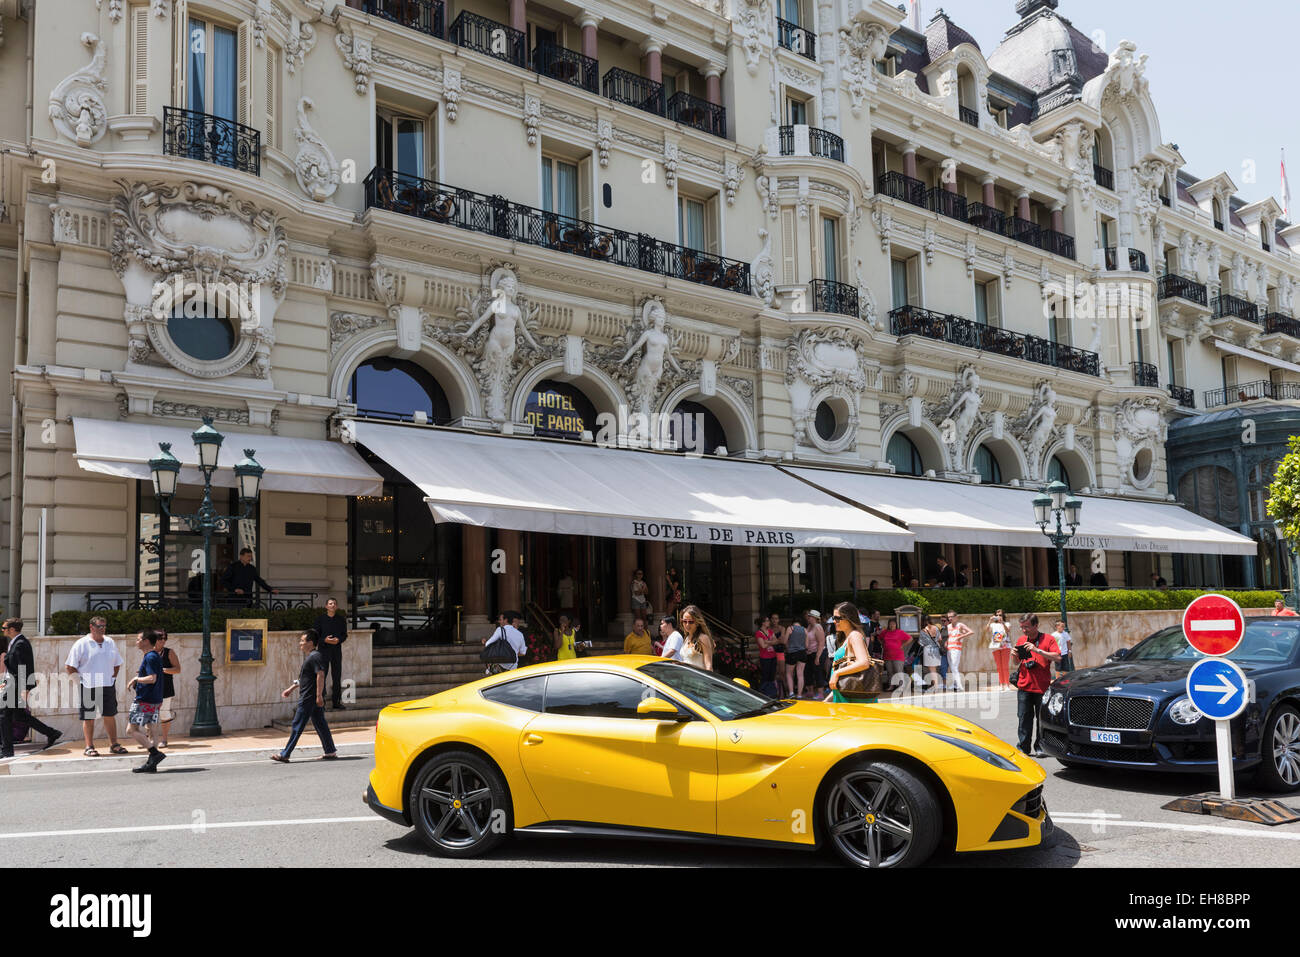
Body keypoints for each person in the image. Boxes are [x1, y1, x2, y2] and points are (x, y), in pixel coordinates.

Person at [271, 630, 338, 763]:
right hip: (311, 697)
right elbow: (305, 679)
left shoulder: (315, 656)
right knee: (321, 724)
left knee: (297, 725)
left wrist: (319, 696)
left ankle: (285, 754)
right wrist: (290, 689)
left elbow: (321, 674)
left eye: (303, 640)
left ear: (310, 643)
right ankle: (330, 751)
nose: (300, 643)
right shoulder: (312, 657)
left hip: (309, 698)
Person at [65, 617, 127, 757]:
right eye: (99, 626)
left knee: (110, 715)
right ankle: (89, 746)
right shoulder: (81, 644)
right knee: (89, 717)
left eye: (104, 626)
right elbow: (70, 666)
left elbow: (117, 663)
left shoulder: (110, 642)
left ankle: (114, 744)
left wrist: (112, 679)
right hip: (88, 685)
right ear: (91, 627)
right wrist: (80, 683)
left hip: (107, 684)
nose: (102, 629)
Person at [0, 618, 62, 756]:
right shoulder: (15, 642)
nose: (2, 630)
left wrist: (24, 689)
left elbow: (24, 667)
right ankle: (52, 733)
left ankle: (7, 750)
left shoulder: (21, 643)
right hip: (11, 685)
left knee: (4, 716)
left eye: (4, 628)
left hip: (15, 687)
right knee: (20, 716)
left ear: (12, 629)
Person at [1014, 614, 1060, 757]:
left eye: (1026, 627)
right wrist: (1014, 655)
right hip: (1024, 686)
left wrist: (1037, 650)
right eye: (1022, 627)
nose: (1024, 631)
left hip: (1042, 687)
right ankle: (1023, 747)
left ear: (1036, 625)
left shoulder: (1048, 639)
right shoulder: (1021, 640)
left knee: (1041, 720)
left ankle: (1040, 746)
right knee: (1023, 719)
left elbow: (1058, 657)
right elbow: (1016, 663)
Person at [125, 629, 167, 773]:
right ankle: (152, 764)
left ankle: (154, 754)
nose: (136, 642)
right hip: (155, 699)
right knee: (152, 730)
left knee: (131, 729)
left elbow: (152, 678)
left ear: (146, 641)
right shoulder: (154, 656)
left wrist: (136, 679)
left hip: (144, 700)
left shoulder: (150, 657)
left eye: (138, 639)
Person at [827, 602, 877, 704]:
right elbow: (844, 680)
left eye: (837, 618)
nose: (834, 621)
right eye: (833, 618)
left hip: (855, 703)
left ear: (848, 619)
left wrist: (836, 673)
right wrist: (827, 700)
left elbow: (864, 662)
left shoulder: (855, 635)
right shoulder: (846, 638)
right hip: (845, 699)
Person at [313, 598, 349, 710]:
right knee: (322, 676)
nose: (332, 605)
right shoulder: (320, 620)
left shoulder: (341, 620)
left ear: (336, 606)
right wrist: (325, 640)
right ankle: (321, 702)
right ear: (326, 606)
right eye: (330, 603)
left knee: (337, 676)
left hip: (336, 651)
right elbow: (315, 636)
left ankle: (336, 702)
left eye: (334, 603)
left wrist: (339, 640)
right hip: (323, 651)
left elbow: (344, 635)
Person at [155, 629, 180, 748]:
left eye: (165, 638)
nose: (163, 641)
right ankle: (150, 739)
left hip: (165, 687)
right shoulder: (149, 652)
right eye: (160, 638)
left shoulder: (169, 652)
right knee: (150, 713)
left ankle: (164, 739)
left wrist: (163, 670)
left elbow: (177, 669)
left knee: (164, 713)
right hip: (151, 688)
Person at [677, 605, 714, 671]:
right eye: (685, 621)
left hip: (699, 679)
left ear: (697, 622)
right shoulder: (687, 638)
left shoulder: (703, 638)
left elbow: (708, 666)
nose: (687, 624)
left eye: (691, 622)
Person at [943, 610, 972, 692]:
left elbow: (971, 632)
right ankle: (954, 685)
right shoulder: (948, 626)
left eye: (951, 617)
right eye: (948, 617)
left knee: (954, 667)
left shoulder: (960, 625)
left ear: (956, 617)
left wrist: (960, 637)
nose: (950, 618)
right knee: (952, 667)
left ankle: (959, 686)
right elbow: (948, 636)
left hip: (956, 648)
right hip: (949, 648)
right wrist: (946, 642)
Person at [877, 617, 909, 691]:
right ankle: (891, 686)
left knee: (898, 671)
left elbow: (910, 638)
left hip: (898, 655)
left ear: (896, 625)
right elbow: (879, 638)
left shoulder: (900, 632)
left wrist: (903, 645)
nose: (892, 625)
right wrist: (882, 644)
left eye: (893, 624)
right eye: (890, 624)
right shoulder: (885, 632)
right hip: (887, 655)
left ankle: (901, 686)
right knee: (890, 672)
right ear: (888, 625)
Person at [987, 610, 1012, 692]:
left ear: (1003, 615)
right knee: (999, 667)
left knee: (1005, 666)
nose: (998, 616)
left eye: (1000, 615)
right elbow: (987, 630)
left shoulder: (1007, 623)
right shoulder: (993, 624)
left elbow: (1008, 630)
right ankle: (1001, 684)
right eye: (997, 615)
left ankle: (1007, 685)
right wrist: (990, 620)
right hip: (995, 646)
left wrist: (1002, 622)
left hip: (1005, 646)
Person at [917, 614, 943, 691]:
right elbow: (940, 639)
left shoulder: (923, 630)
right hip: (936, 650)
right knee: (934, 668)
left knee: (932, 670)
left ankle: (936, 687)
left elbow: (921, 643)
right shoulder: (936, 628)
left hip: (928, 651)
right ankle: (936, 686)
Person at [783, 612, 807, 697]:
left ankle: (791, 692)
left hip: (792, 653)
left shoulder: (790, 628)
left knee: (789, 673)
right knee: (800, 674)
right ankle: (800, 694)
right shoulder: (804, 629)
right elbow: (806, 645)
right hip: (802, 653)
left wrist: (788, 647)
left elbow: (784, 641)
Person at [804, 611, 825, 699]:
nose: (808, 618)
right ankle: (810, 692)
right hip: (809, 653)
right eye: (808, 616)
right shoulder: (809, 626)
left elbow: (821, 642)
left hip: (817, 653)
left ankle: (820, 693)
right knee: (808, 672)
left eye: (810, 616)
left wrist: (817, 657)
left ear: (815, 618)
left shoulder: (818, 627)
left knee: (818, 673)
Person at [754, 615, 777, 695]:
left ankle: (771, 693)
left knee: (772, 676)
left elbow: (776, 641)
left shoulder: (770, 631)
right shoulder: (758, 633)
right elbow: (763, 646)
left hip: (773, 656)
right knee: (765, 676)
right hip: (765, 658)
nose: (769, 622)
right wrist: (771, 642)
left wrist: (767, 641)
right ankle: (764, 693)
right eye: (767, 621)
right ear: (763, 623)